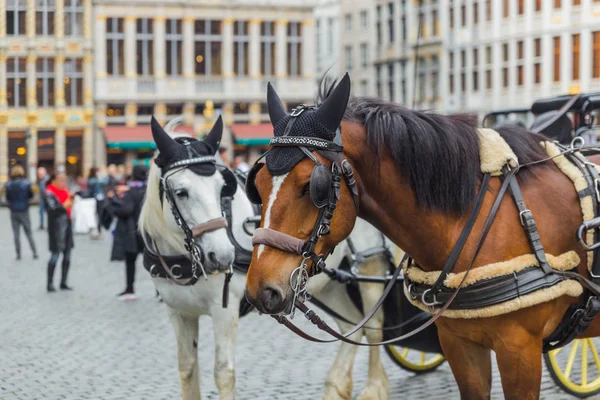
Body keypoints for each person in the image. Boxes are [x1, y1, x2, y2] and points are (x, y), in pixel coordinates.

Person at [107, 165, 148, 301]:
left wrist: (113, 202)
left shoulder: (132, 192)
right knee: (155, 262)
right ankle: (160, 292)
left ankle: (130, 288)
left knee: (130, 261)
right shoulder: (149, 189)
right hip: (148, 230)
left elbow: (126, 210)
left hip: (133, 231)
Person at [44, 172, 74, 292]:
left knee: (67, 256)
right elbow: (53, 209)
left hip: (67, 226)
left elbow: (69, 206)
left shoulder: (65, 192)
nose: (63, 183)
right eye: (61, 180)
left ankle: (63, 282)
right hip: (56, 228)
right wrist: (65, 205)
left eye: (65, 180)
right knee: (55, 255)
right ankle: (50, 283)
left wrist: (71, 199)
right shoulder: (49, 193)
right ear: (53, 181)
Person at [5, 165, 38, 260]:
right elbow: (30, 195)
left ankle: (18, 254)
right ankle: (34, 252)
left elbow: (7, 198)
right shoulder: (26, 184)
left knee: (16, 234)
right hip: (24, 210)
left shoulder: (9, 185)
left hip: (14, 211)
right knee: (28, 232)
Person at [86, 167, 104, 239]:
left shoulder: (90, 180)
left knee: (93, 216)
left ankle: (94, 232)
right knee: (98, 216)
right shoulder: (96, 180)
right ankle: (98, 232)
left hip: (92, 199)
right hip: (97, 198)